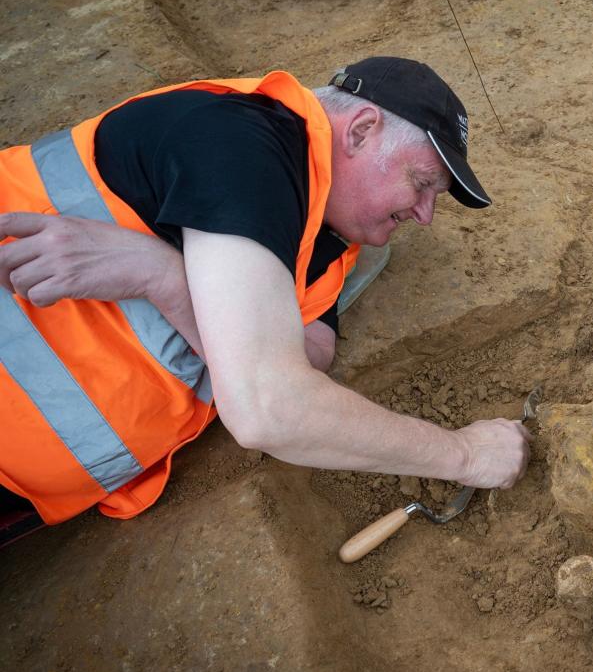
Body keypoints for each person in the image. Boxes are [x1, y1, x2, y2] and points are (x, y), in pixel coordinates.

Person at [0, 57, 531, 533]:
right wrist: (463, 455)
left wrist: (164, 277)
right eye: (421, 183)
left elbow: (308, 358)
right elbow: (270, 408)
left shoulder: (325, 237)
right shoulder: (239, 147)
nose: (425, 214)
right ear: (362, 131)